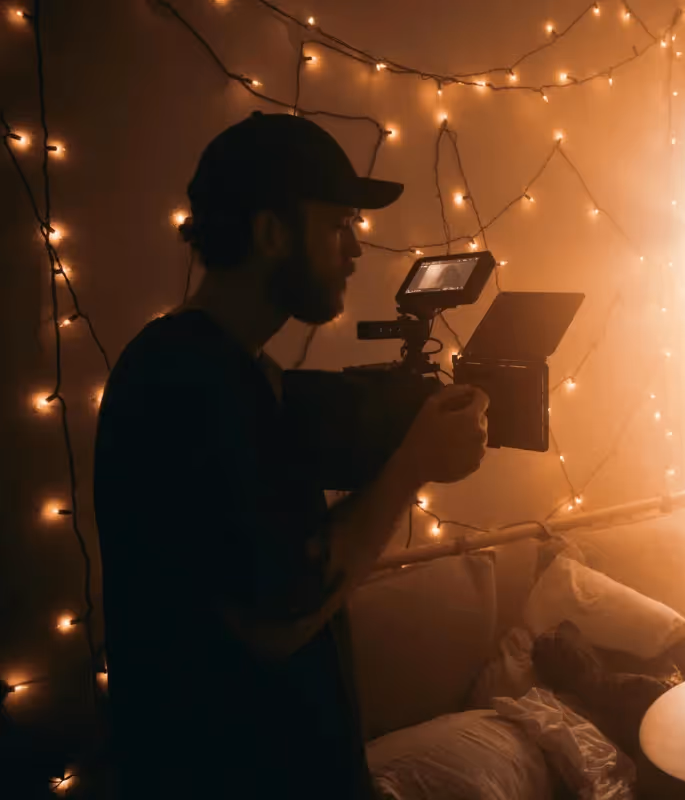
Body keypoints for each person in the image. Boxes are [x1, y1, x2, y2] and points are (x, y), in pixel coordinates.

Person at [93, 112, 489, 799]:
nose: (356, 247)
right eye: (338, 225)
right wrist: (413, 465)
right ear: (271, 233)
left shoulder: (230, 370)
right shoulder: (187, 384)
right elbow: (279, 615)